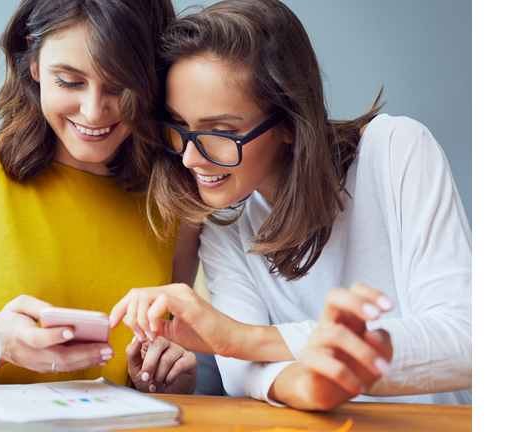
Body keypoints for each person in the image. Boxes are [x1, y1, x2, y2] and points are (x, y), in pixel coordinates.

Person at [110, 0, 471, 410]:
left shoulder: (395, 152)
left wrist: (246, 339)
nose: (191, 158)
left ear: (289, 122)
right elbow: (240, 371)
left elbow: (468, 339)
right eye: (179, 126)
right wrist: (309, 386)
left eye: (222, 131)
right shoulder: (225, 219)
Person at [0, 0, 198, 395]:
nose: (94, 111)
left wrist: (169, 377)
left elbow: (151, 374)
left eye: (120, 86)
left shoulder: (175, 208)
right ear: (33, 61)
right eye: (69, 80)